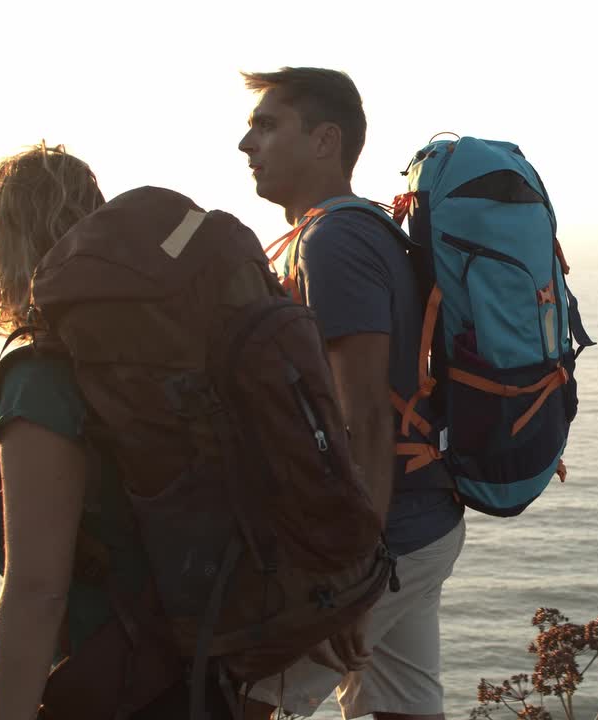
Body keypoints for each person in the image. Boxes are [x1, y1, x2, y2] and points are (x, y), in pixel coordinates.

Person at [0, 142, 230, 720]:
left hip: (121, 690)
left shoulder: (42, 380)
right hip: (185, 677)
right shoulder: (137, 359)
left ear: (1, 243)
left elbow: (36, 593)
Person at [237, 67, 465, 720]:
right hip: (423, 525)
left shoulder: (333, 242)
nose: (246, 144)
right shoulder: (358, 230)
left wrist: (348, 578)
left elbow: (364, 415)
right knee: (403, 708)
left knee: (247, 699)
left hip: (386, 540)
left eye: (267, 125)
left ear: (324, 141)